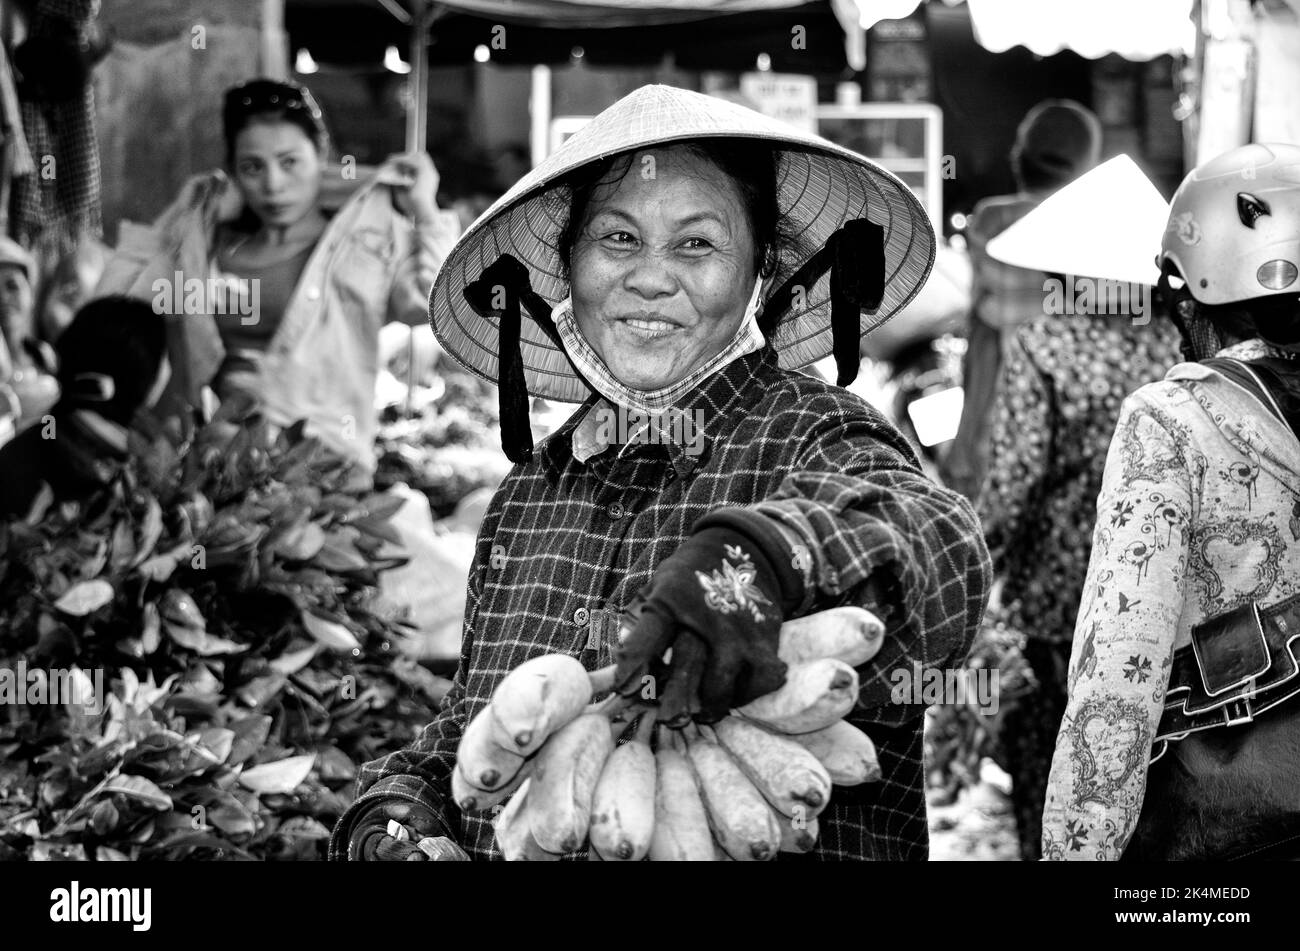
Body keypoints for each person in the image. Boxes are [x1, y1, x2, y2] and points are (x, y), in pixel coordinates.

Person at [327, 84, 992, 862]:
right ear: (566, 266)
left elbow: (944, 559)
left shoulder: (816, 437)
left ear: (759, 274)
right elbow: (472, 729)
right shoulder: (529, 495)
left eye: (696, 245)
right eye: (617, 239)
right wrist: (396, 816)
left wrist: (762, 559)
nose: (650, 277)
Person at [1042, 142, 1300, 860]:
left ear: (1187, 293)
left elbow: (1119, 679)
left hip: (1232, 828)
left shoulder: (1170, 419)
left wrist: (1080, 849)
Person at [974, 157, 1184, 860]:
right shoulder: (1178, 349)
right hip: (1165, 609)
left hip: (1061, 612)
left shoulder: (1043, 346)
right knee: (1154, 784)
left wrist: (976, 575)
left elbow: (1010, 489)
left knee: (1057, 787)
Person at [95, 78, 461, 474]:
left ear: (320, 155)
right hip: (214, 467)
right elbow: (114, 304)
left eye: (290, 163)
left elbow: (435, 307)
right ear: (233, 172)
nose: (272, 185)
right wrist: (182, 217)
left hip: (327, 468)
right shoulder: (211, 246)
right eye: (252, 167)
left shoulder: (363, 243)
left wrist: (425, 209)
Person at [941, 100, 1102, 501]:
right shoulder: (1100, 227)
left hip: (1006, 431)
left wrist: (964, 444)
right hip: (1087, 433)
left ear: (1021, 157)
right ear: (1088, 166)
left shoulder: (992, 222)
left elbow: (983, 341)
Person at [0, 295, 167, 520]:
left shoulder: (30, 442)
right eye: (164, 357)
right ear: (143, 372)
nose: (168, 368)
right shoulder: (122, 482)